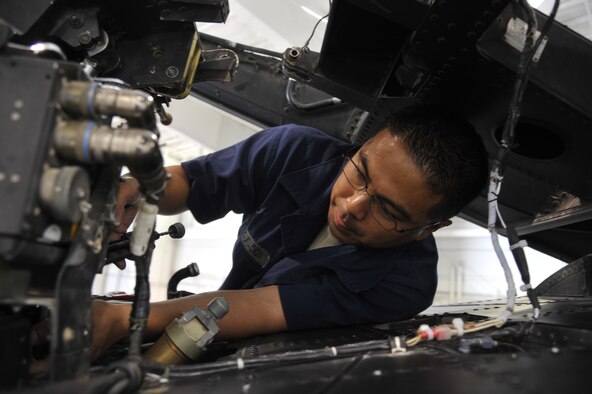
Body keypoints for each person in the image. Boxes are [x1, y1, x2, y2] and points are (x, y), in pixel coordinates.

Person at [91, 105, 489, 359]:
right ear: (363, 145)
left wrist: (124, 319)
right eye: (360, 172)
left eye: (387, 209)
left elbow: (264, 308)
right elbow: (195, 182)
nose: (351, 207)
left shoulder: (405, 284)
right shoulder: (293, 151)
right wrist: (140, 189)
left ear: (428, 230)